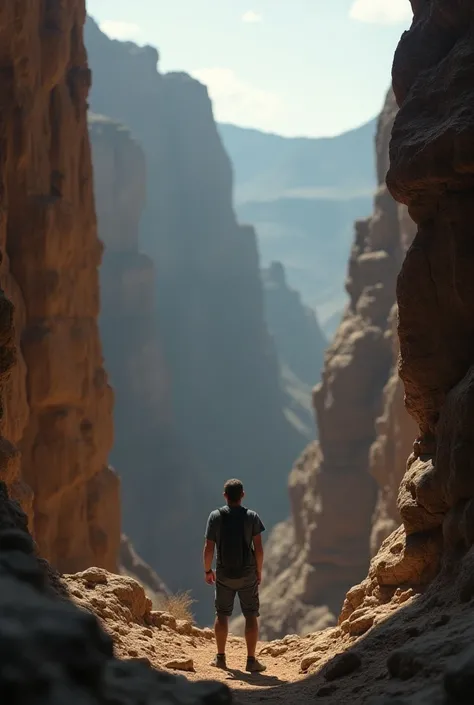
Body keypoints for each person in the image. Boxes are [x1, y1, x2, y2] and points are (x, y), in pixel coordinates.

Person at [203, 478, 267, 672]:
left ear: (225, 496)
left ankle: (220, 658)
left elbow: (208, 548)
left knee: (222, 615)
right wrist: (258, 571)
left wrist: (207, 570)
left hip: (223, 574)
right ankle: (251, 661)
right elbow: (259, 549)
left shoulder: (215, 516)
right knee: (250, 615)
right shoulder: (252, 517)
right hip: (248, 574)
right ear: (242, 495)